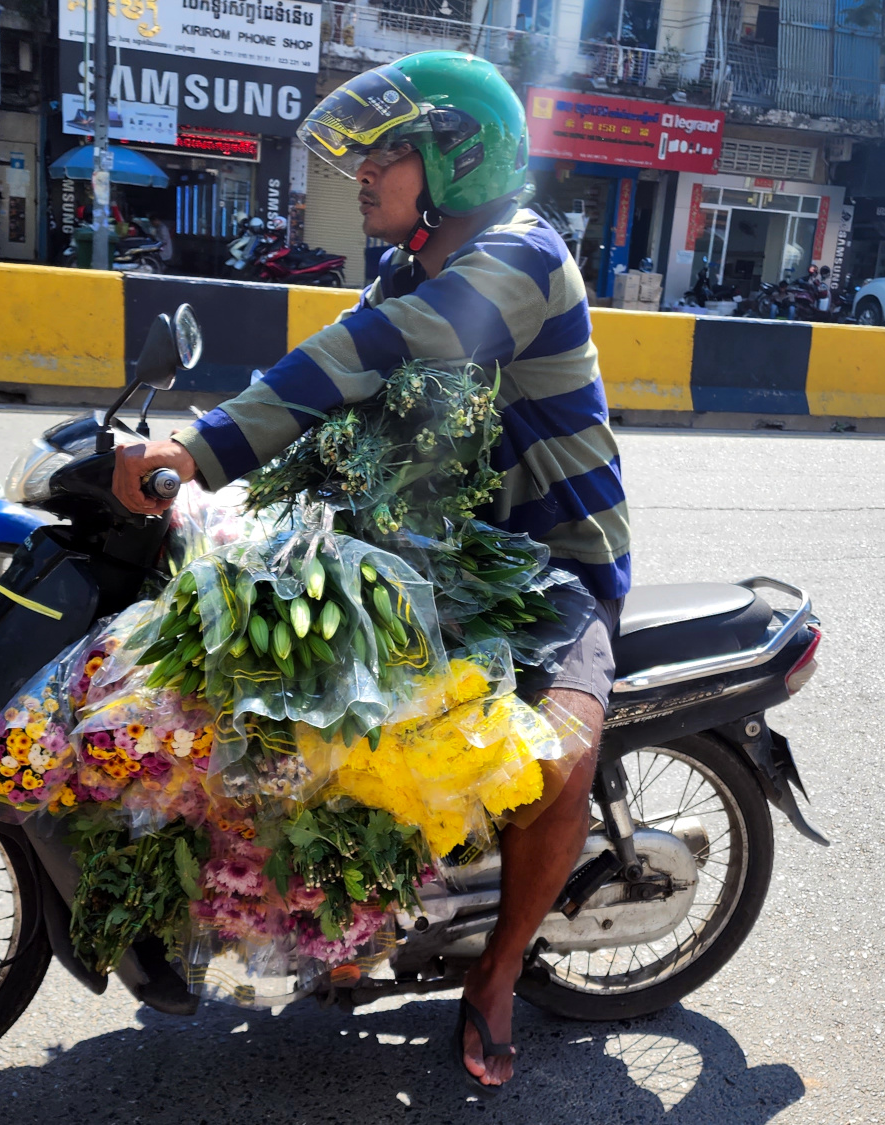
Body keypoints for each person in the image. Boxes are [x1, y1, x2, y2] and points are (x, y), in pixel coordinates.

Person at [111, 51, 631, 1091]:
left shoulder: (522, 259)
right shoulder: (408, 263)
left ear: (456, 161)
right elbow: (346, 386)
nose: (359, 174)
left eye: (384, 155)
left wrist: (204, 446)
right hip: (439, 548)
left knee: (557, 756)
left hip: (556, 557)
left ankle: (497, 970)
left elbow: (371, 351)